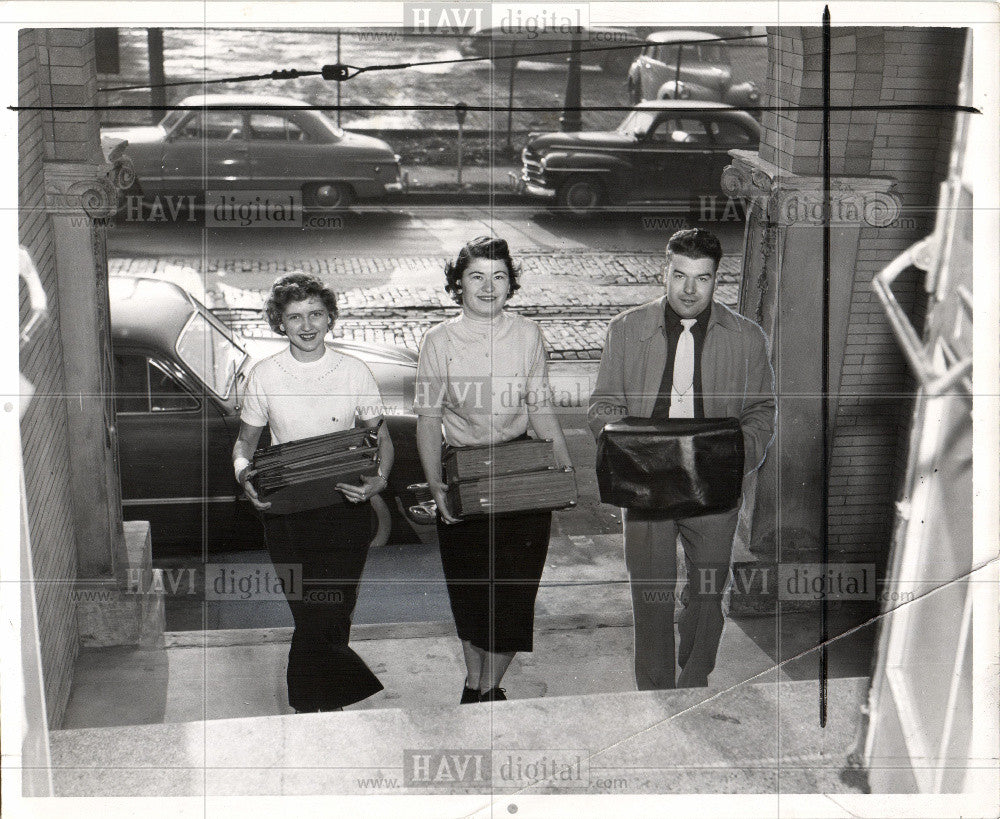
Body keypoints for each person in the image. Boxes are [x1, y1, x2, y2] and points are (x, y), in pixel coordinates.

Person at [588, 228, 775, 689]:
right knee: (650, 597)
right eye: (680, 276)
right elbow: (602, 406)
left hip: (713, 488)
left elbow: (761, 411)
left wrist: (732, 457)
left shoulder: (747, 338)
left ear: (716, 280)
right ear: (664, 273)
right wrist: (629, 449)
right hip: (647, 484)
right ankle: (655, 691)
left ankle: (694, 682)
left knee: (708, 594)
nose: (690, 290)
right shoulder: (626, 330)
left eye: (703, 278)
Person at [414, 236, 573, 704]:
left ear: (511, 284)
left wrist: (562, 468)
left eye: (499, 276)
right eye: (477, 276)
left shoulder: (527, 335)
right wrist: (436, 484)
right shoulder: (437, 341)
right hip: (464, 474)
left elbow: (540, 407)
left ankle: (487, 688)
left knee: (514, 594)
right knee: (470, 591)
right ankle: (474, 681)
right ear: (458, 284)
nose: (488, 286)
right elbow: (428, 419)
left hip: (522, 469)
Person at [232, 272, 394, 712]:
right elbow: (245, 444)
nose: (307, 325)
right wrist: (244, 476)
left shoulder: (354, 370)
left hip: (344, 508)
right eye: (295, 316)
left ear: (330, 318)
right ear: (279, 323)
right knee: (310, 614)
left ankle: (314, 709)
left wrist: (379, 479)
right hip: (286, 513)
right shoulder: (265, 375)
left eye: (316, 314)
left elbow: (379, 439)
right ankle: (325, 705)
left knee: (334, 613)